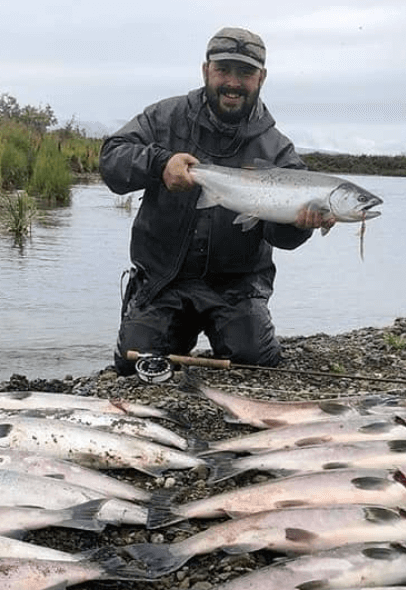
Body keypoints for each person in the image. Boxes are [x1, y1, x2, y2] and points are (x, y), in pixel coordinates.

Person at [100, 26, 334, 376]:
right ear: (206, 70)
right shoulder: (164, 117)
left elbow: (279, 238)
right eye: (224, 70)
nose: (233, 83)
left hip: (236, 287)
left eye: (245, 73)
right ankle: (156, 324)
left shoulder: (278, 150)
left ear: (262, 78)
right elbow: (111, 160)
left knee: (255, 363)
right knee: (133, 366)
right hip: (163, 281)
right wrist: (160, 163)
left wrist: (300, 226)